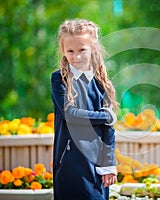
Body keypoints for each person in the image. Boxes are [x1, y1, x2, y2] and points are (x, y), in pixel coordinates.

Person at [51, 19, 118, 200]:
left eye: (82, 50)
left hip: (97, 166)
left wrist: (109, 164)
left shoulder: (101, 83)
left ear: (93, 48)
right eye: (70, 51)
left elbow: (108, 130)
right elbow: (70, 114)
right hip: (69, 163)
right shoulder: (59, 79)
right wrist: (105, 116)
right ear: (63, 51)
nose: (76, 56)